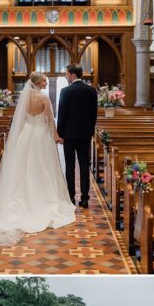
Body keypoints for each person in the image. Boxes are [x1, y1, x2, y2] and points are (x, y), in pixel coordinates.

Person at [0, 72, 75, 247]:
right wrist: (56, 136)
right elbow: (50, 121)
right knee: (43, 167)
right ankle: (43, 198)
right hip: (41, 135)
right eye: (44, 80)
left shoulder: (24, 97)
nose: (46, 82)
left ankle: (22, 197)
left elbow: (20, 120)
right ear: (38, 82)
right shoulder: (44, 98)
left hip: (26, 134)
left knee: (24, 167)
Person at [57, 63, 97, 208]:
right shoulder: (91, 91)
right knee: (84, 165)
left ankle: (71, 198)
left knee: (70, 166)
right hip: (85, 134)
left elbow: (62, 115)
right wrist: (90, 131)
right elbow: (94, 114)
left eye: (67, 74)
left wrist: (59, 134)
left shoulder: (65, 91)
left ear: (72, 75)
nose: (66, 76)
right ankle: (85, 198)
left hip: (69, 134)